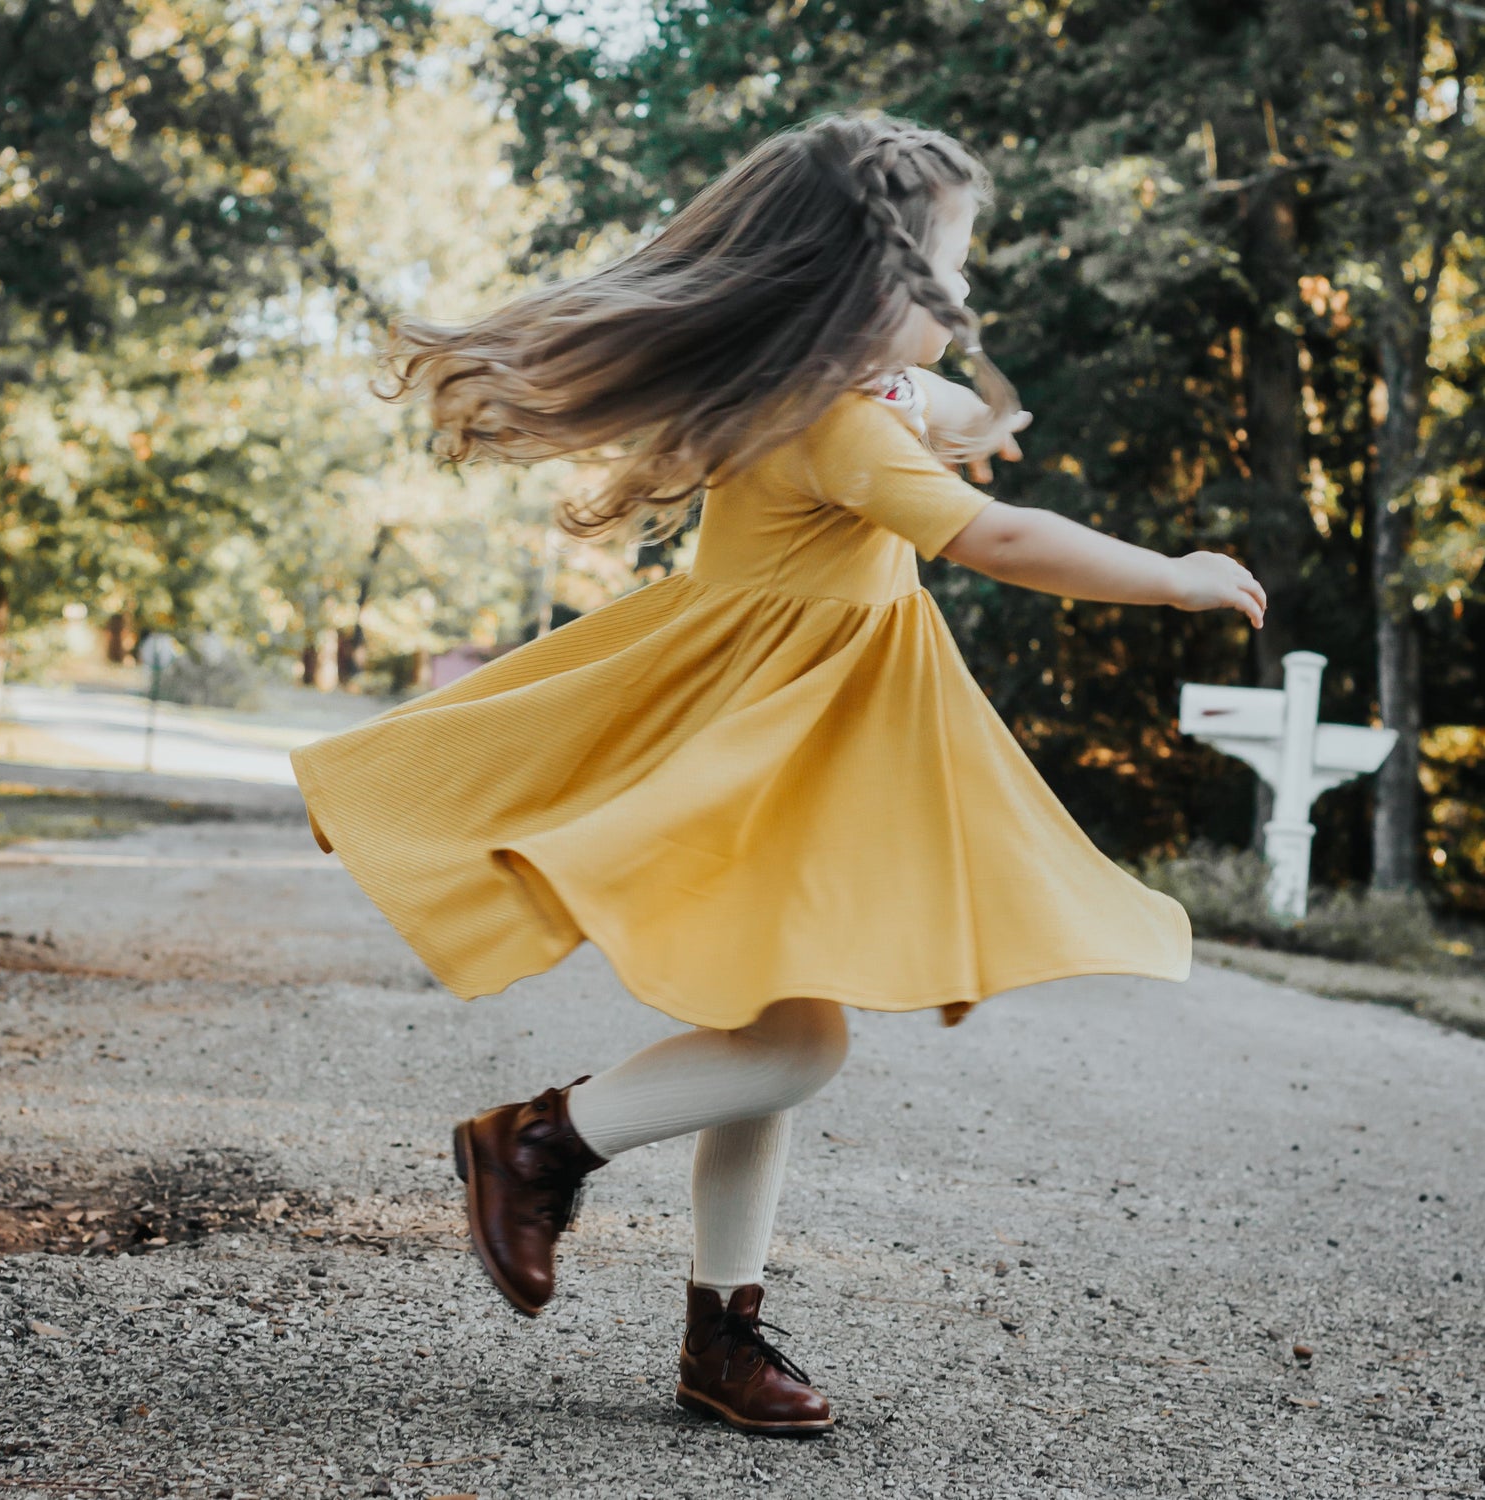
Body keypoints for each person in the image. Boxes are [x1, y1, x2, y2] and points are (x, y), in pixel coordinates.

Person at [288, 110, 1266, 1438]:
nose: (967, 298)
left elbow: (937, 412)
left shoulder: (848, 398)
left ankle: (721, 1338)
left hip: (795, 758)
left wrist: (975, 414)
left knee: (769, 1030)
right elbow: (999, 537)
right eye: (953, 274)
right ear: (879, 290)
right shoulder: (835, 428)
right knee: (797, 1042)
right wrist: (1171, 576)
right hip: (759, 752)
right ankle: (538, 1145)